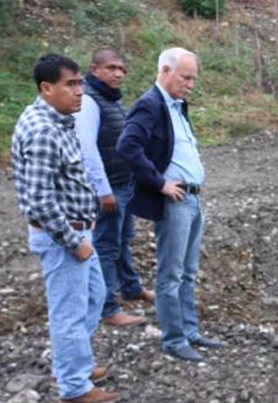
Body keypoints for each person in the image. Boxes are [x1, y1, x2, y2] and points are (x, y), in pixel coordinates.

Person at [11, 53, 118, 403]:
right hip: (64, 238)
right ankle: (74, 385)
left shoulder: (58, 120)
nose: (79, 92)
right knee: (69, 313)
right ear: (46, 89)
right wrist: (74, 242)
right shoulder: (43, 131)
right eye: (70, 85)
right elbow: (41, 201)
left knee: (94, 296)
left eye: (80, 83)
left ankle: (73, 362)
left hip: (78, 231)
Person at [117, 47, 222, 363]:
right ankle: (173, 340)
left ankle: (189, 332)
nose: (191, 84)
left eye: (194, 79)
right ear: (165, 71)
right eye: (185, 77)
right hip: (175, 201)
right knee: (171, 274)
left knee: (188, 272)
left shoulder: (176, 106)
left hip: (192, 198)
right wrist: (159, 182)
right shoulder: (150, 105)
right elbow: (127, 146)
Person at [75, 48, 152, 327]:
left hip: (123, 182)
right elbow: (87, 149)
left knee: (123, 240)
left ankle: (130, 287)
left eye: (121, 69)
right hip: (109, 187)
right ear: (94, 70)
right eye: (111, 68)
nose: (118, 73)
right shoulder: (89, 101)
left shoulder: (109, 99)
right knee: (106, 246)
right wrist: (102, 190)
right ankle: (107, 308)